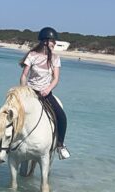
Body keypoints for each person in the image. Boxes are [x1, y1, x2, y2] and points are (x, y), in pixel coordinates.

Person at [20, 27, 70, 159]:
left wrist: (47, 89)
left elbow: (56, 78)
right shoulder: (32, 55)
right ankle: (3, 145)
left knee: (62, 117)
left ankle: (60, 145)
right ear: (44, 42)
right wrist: (23, 90)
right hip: (30, 91)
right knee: (10, 113)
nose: (53, 44)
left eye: (54, 41)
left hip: (46, 93)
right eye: (52, 41)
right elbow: (24, 75)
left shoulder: (55, 58)